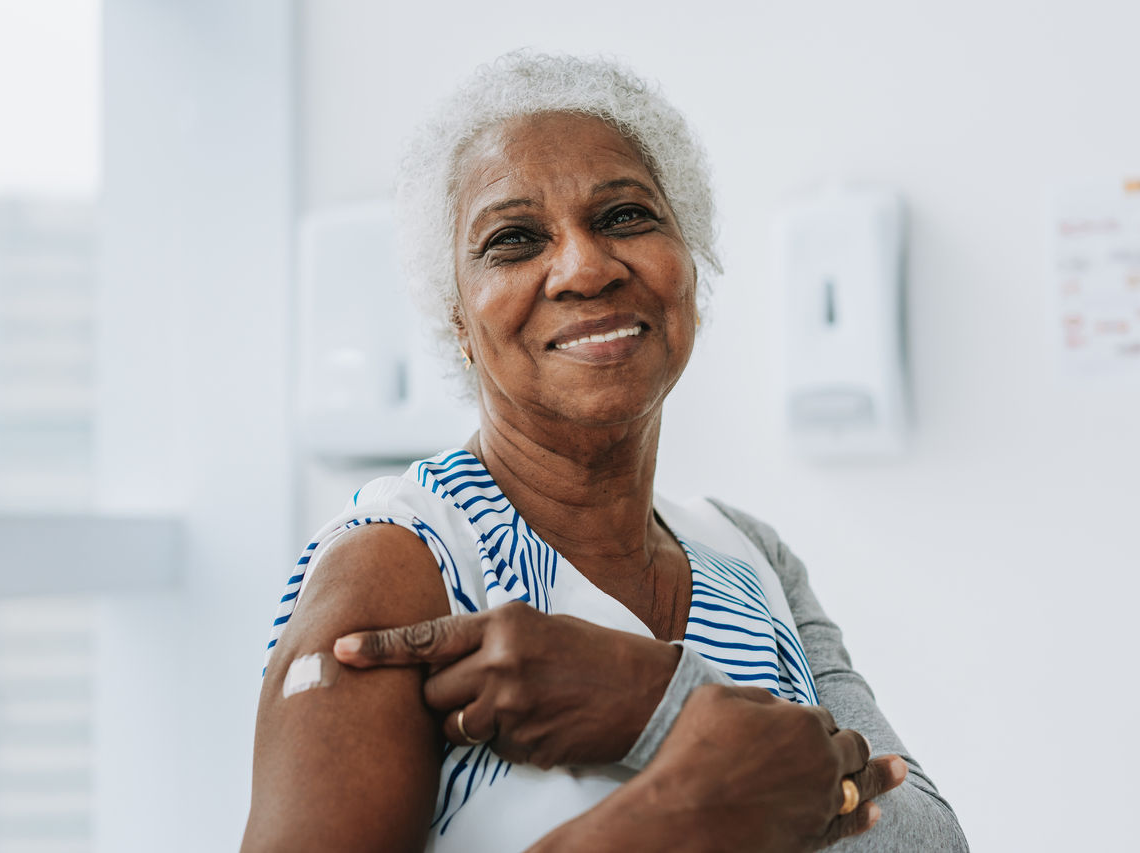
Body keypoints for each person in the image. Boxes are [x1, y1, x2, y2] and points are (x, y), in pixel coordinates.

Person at [242, 52, 968, 852]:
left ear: (689, 261)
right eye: (515, 240)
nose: (585, 267)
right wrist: (687, 805)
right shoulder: (403, 567)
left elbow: (930, 840)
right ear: (457, 320)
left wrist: (654, 698)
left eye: (624, 216)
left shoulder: (751, 557)